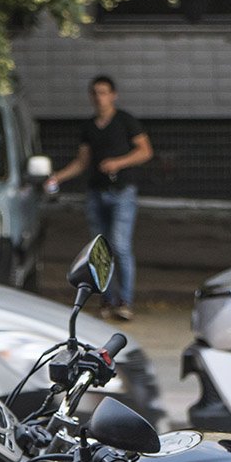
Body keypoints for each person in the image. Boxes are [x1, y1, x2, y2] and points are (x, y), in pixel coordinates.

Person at [46, 75, 152, 320]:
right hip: (96, 193)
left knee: (121, 246)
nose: (99, 97)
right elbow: (82, 162)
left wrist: (118, 162)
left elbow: (145, 151)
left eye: (104, 92)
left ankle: (125, 301)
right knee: (100, 250)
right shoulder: (89, 127)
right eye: (95, 93)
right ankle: (107, 299)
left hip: (123, 192)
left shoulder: (125, 121)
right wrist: (57, 177)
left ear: (113, 95)